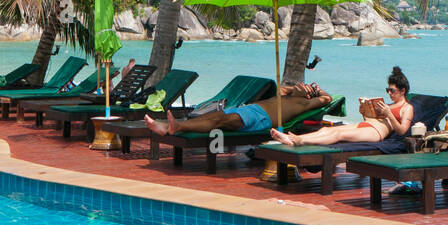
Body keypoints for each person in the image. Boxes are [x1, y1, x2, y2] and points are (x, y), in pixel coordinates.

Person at [268, 67, 413, 147]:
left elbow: (401, 130)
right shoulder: (388, 105)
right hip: (365, 124)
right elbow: (374, 119)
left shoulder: (407, 108)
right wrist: (365, 111)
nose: (389, 93)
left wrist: (388, 114)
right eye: (387, 90)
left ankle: (299, 140)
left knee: (338, 135)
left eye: (392, 91)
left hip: (376, 133)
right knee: (326, 129)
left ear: (402, 91)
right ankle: (291, 139)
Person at [142, 83, 332, 137]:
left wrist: (316, 90)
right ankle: (172, 126)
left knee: (219, 121)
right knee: (214, 116)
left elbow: (327, 99)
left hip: (260, 119)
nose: (301, 84)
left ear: (308, 95)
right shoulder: (286, 95)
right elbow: (281, 86)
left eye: (304, 86)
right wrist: (296, 89)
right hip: (251, 110)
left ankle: (175, 127)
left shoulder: (303, 104)